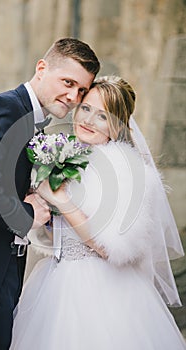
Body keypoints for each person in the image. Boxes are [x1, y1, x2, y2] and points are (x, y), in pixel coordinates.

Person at [10, 76, 186, 349]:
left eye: (102, 116)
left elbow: (110, 246)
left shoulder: (128, 172)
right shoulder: (73, 160)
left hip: (101, 289)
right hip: (56, 280)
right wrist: (44, 210)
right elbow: (63, 233)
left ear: (116, 126)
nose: (89, 120)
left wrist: (60, 199)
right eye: (86, 109)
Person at [0, 38, 100, 350]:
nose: (73, 97)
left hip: (4, 269)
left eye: (82, 91)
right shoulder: (2, 108)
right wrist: (29, 212)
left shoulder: (34, 123)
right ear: (42, 68)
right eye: (68, 82)